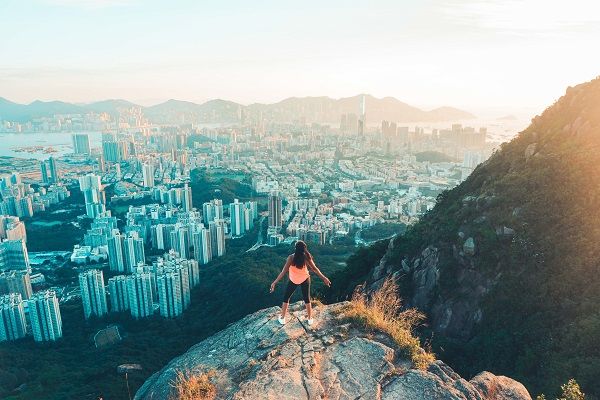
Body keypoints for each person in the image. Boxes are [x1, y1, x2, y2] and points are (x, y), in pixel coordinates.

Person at [270, 240, 331, 326]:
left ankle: (283, 318)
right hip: (305, 279)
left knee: (286, 298)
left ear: (295, 249)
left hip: (293, 280)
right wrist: (324, 278)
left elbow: (283, 272)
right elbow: (315, 269)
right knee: (307, 298)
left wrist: (274, 282)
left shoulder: (291, 258)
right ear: (304, 249)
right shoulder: (306, 256)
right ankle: (310, 319)